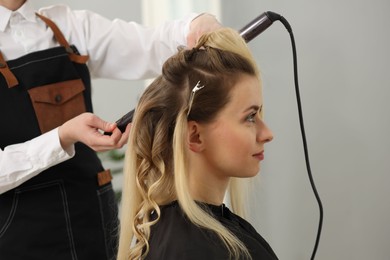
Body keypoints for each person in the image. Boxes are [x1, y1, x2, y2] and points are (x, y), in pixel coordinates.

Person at [0, 0, 221, 259]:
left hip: (90, 215)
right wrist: (63, 137)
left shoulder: (66, 26)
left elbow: (149, 45)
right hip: (19, 232)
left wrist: (195, 26)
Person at [117, 27, 278, 260]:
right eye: (250, 117)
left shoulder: (201, 234)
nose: (267, 134)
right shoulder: (192, 249)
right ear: (195, 136)